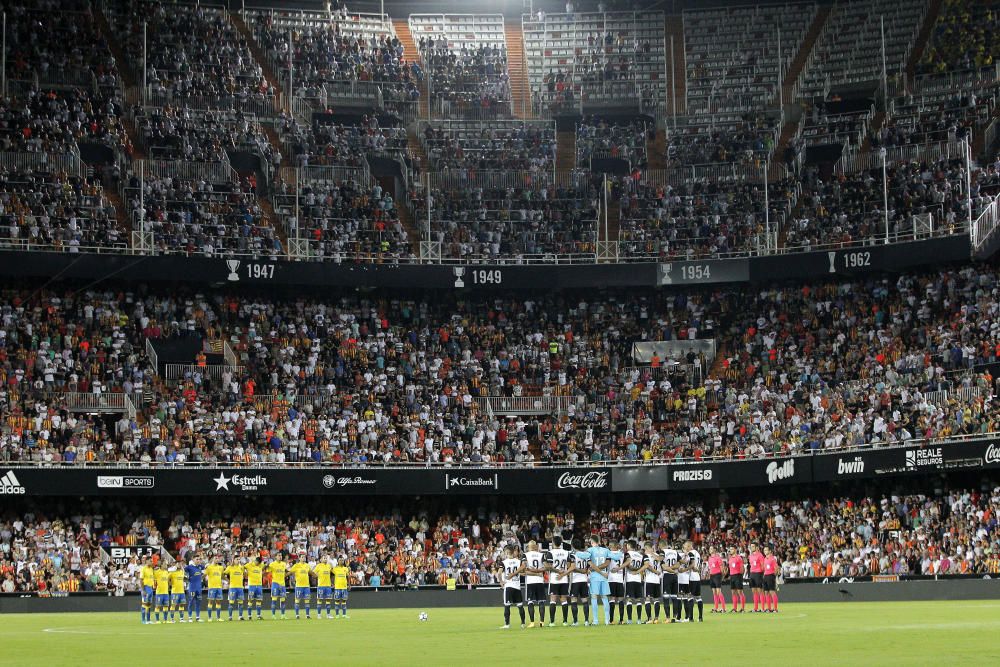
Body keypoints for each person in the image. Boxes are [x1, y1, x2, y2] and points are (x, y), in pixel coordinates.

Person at [575, 535, 621, 626]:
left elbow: (582, 555)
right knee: (604, 598)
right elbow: (617, 557)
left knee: (594, 597)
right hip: (604, 576)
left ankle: (595, 620)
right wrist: (620, 551)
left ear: (592, 542)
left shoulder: (590, 550)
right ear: (599, 541)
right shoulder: (606, 550)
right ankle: (607, 620)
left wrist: (576, 552)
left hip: (595, 576)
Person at [545, 535, 571, 627]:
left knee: (553, 600)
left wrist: (557, 571)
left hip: (554, 579)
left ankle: (552, 622)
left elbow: (548, 566)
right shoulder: (566, 552)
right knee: (564, 600)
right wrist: (562, 572)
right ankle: (565, 621)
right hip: (564, 579)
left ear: (553, 542)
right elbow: (568, 565)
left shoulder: (550, 553)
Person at [499, 544, 526, 629]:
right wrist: (516, 573)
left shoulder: (504, 562)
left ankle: (507, 624)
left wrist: (501, 582)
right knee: (520, 605)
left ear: (507, 552)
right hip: (517, 586)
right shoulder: (518, 561)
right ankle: (523, 624)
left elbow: (499, 573)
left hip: (508, 586)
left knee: (507, 605)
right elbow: (524, 569)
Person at [567, 539, 591, 626]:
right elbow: (588, 568)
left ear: (572, 545)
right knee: (585, 600)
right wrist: (584, 571)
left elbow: (570, 567)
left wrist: (579, 571)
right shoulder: (586, 555)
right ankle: (586, 621)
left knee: (574, 600)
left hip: (575, 581)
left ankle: (575, 621)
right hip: (584, 580)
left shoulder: (572, 555)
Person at [523, 540, 546, 627]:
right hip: (540, 581)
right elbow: (546, 567)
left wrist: (532, 571)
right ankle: (542, 622)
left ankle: (532, 622)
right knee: (541, 602)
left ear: (529, 547)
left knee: (530, 602)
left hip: (530, 582)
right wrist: (538, 572)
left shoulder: (525, 555)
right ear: (535, 546)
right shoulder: (541, 555)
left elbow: (524, 570)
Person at [624, 540, 647, 624]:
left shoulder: (627, 554)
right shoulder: (640, 555)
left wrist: (633, 569)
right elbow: (642, 567)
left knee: (629, 600)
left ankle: (629, 620)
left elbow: (628, 565)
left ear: (629, 546)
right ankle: (639, 620)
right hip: (638, 580)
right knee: (638, 600)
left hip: (630, 579)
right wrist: (638, 570)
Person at [683, 540, 703, 622]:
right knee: (698, 597)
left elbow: (692, 565)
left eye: (686, 546)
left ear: (690, 546)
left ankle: (690, 618)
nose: (686, 548)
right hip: (697, 577)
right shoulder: (697, 553)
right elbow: (698, 566)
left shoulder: (691, 553)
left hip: (691, 577)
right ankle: (700, 617)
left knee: (690, 597)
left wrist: (684, 569)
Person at [660, 539, 680, 622]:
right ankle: (674, 617)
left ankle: (668, 618)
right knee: (674, 597)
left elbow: (664, 567)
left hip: (667, 575)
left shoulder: (662, 552)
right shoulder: (675, 552)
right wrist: (673, 569)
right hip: (675, 576)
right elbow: (678, 564)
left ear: (661, 545)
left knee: (666, 597)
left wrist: (668, 568)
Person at [642, 542, 662, 623]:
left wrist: (655, 571)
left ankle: (650, 619)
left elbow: (648, 566)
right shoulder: (656, 556)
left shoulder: (646, 556)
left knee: (647, 599)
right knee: (656, 599)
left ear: (646, 548)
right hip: (657, 581)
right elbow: (660, 559)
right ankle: (656, 619)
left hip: (649, 580)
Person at [607, 540, 626, 624]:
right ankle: (621, 620)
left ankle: (611, 620)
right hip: (620, 579)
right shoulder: (622, 554)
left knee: (612, 599)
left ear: (612, 546)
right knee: (621, 599)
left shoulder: (608, 554)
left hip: (611, 579)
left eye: (610, 545)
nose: (609, 547)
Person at [289, 554, 313, 619]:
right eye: (302, 557)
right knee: (297, 600)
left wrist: (317, 575)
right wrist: (285, 576)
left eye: (304, 557)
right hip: (299, 586)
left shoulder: (307, 565)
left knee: (307, 600)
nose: (303, 558)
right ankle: (297, 615)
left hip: (306, 586)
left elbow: (311, 572)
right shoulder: (296, 565)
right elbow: (290, 572)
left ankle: (307, 615)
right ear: (299, 558)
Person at [205, 556, 225, 621]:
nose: (217, 559)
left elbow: (222, 576)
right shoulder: (209, 567)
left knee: (218, 602)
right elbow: (204, 575)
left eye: (218, 558)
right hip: (211, 587)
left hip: (219, 587)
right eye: (215, 558)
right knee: (210, 602)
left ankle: (218, 617)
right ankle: (209, 618)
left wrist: (228, 581)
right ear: (212, 560)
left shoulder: (221, 567)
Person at [184, 556, 204, 622]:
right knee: (191, 602)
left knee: (198, 603)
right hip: (192, 588)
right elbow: (182, 572)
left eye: (199, 559)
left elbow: (206, 569)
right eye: (197, 559)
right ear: (193, 560)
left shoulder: (200, 567)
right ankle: (190, 617)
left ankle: (197, 617)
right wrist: (186, 580)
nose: (198, 560)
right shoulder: (189, 567)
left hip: (199, 588)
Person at [268, 555, 288, 619]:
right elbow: (267, 571)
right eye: (279, 556)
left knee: (283, 600)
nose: (280, 557)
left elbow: (286, 572)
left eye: (281, 556)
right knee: (274, 600)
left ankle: (283, 615)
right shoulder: (272, 564)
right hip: (275, 584)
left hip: (282, 584)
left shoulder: (284, 564)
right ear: (275, 557)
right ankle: (273, 615)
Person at [727, 547, 746, 612]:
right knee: (733, 592)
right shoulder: (730, 558)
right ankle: (734, 608)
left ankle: (742, 608)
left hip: (738, 575)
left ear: (735, 550)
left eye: (732, 549)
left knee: (740, 592)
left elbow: (742, 568)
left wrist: (740, 576)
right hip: (732, 576)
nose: (730, 550)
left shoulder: (739, 558)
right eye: (730, 549)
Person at [707, 547, 725, 613]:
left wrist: (722, 575)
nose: (710, 550)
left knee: (718, 592)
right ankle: (716, 608)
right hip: (712, 575)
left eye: (711, 549)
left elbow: (721, 567)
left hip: (717, 575)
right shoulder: (709, 558)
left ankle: (723, 608)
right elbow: (710, 568)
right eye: (709, 549)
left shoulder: (718, 558)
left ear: (714, 550)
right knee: (714, 592)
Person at [748, 543, 765, 612]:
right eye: (751, 546)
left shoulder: (760, 555)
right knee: (754, 591)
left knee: (760, 591)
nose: (751, 548)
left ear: (757, 547)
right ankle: (755, 608)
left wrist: (763, 574)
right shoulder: (750, 556)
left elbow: (762, 565)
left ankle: (763, 608)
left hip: (758, 573)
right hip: (752, 574)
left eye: (753, 546)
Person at [762, 546, 779, 613]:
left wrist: (773, 576)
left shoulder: (772, 559)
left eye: (766, 550)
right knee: (766, 593)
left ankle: (775, 608)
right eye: (764, 550)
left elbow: (776, 568)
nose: (765, 551)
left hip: (771, 576)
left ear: (769, 551)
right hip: (765, 576)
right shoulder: (765, 559)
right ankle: (769, 608)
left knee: (772, 592)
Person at [140, 556, 155, 624]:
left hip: (150, 588)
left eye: (152, 561)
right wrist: (143, 590)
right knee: (144, 604)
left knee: (148, 605)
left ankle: (148, 620)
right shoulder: (143, 569)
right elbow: (141, 580)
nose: (152, 562)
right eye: (150, 561)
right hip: (145, 588)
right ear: (146, 561)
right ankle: (143, 620)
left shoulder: (151, 569)